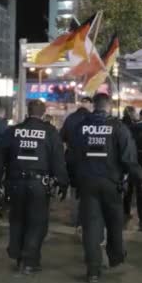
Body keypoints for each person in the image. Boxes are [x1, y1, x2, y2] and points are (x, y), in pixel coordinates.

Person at [71, 93, 142, 283]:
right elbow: (128, 157)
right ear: (109, 106)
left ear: (93, 106)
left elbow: (71, 155)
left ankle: (93, 271)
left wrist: (74, 180)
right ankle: (116, 256)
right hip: (111, 184)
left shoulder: (81, 127)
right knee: (114, 222)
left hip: (87, 183)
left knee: (91, 228)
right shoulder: (118, 127)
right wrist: (139, 178)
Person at [0, 99, 69, 275]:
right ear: (43, 114)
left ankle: (18, 254)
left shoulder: (13, 131)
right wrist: (62, 182)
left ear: (27, 112)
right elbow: (58, 161)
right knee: (37, 222)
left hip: (15, 184)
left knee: (18, 219)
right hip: (38, 185)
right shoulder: (50, 132)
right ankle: (29, 261)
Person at [60, 97, 93, 228]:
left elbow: (61, 137)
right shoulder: (93, 119)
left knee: (74, 189)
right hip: (89, 159)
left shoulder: (70, 119)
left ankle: (74, 219)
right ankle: (84, 219)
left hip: (72, 157)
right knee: (88, 189)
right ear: (90, 105)